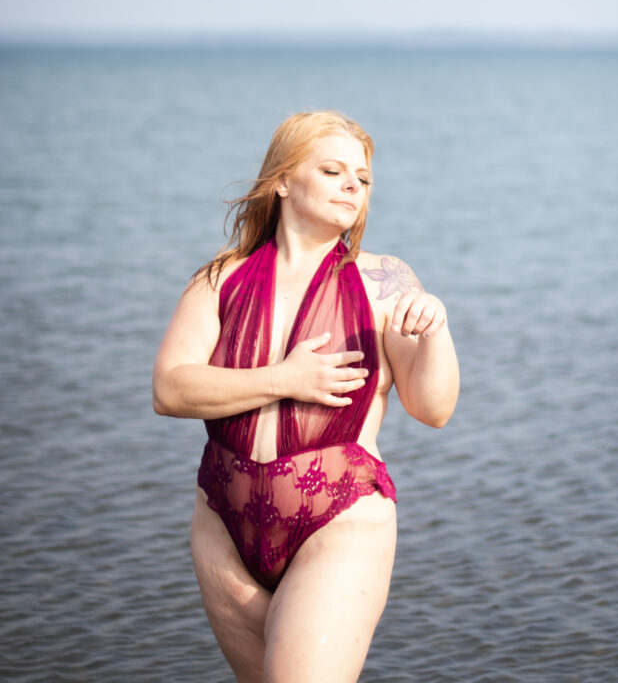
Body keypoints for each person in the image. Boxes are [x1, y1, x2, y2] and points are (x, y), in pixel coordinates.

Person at [153, 110, 459, 683]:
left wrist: (437, 331)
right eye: (333, 170)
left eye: (363, 179)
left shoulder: (384, 280)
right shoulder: (219, 280)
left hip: (339, 517)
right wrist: (283, 379)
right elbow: (170, 389)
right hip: (223, 521)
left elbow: (433, 408)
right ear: (283, 181)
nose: (353, 186)